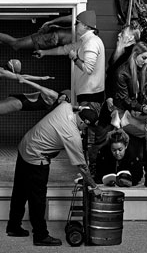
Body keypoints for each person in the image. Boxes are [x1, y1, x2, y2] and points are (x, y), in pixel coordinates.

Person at [6, 101, 98, 246]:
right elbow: (82, 167)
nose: (86, 130)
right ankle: (41, 236)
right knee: (38, 199)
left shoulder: (65, 108)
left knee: (20, 191)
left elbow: (69, 103)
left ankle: (13, 227)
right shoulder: (72, 136)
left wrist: (81, 107)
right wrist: (94, 186)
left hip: (25, 145)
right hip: (36, 158)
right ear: (84, 123)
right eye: (86, 127)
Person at [34, 9, 104, 105]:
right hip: (87, 92)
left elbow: (88, 69)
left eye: (77, 23)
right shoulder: (85, 41)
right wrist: (44, 52)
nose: (75, 25)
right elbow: (64, 49)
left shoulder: (91, 43)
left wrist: (74, 58)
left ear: (85, 25)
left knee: (85, 118)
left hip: (90, 94)